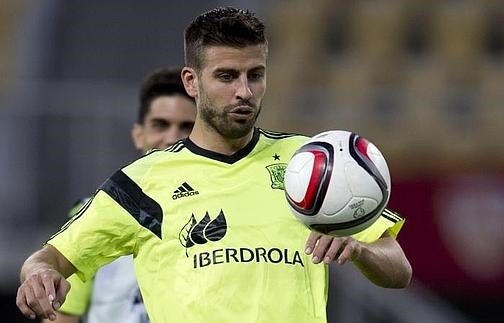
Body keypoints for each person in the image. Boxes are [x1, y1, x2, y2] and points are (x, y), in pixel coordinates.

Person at [17, 7, 411, 323]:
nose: (244, 91)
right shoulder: (141, 183)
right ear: (192, 82)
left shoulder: (310, 161)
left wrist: (360, 249)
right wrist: (39, 276)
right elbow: (47, 258)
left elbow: (399, 269)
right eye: (226, 76)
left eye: (255, 75)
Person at [44, 66, 197, 323]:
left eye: (186, 127)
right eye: (161, 125)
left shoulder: (221, 213)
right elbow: (62, 316)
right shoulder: (95, 214)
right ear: (139, 135)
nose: (172, 137)